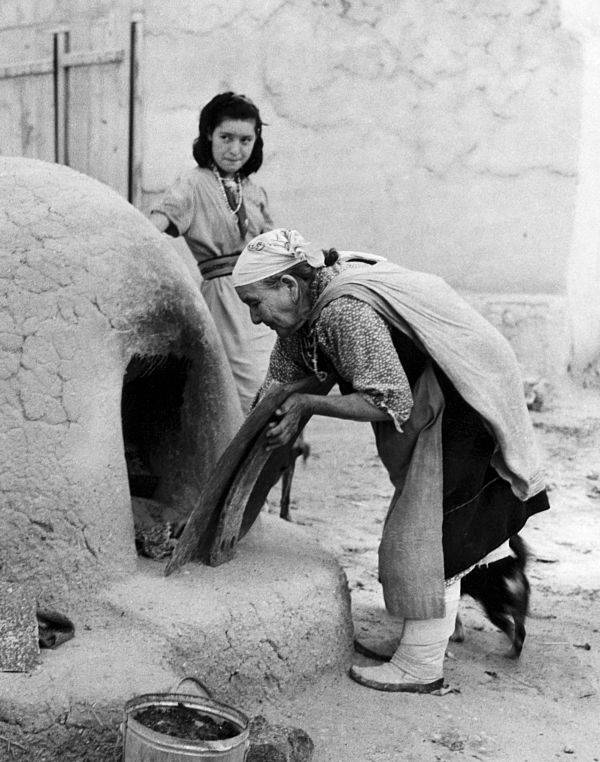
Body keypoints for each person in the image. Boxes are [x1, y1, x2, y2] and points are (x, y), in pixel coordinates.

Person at [231, 228, 550, 693]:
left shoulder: (341, 311)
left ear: (289, 286)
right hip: (437, 403)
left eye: (255, 304)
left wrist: (309, 406)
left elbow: (391, 403)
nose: (256, 319)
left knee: (423, 535)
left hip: (459, 405)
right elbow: (272, 394)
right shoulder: (306, 314)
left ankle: (421, 667)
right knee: (440, 527)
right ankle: (432, 638)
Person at [149, 92, 276, 412]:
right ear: (209, 135)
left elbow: (273, 241)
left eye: (245, 140)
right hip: (223, 296)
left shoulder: (253, 189)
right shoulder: (192, 183)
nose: (236, 150)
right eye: (226, 138)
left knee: (272, 379)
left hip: (262, 294)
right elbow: (155, 225)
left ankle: (276, 460)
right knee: (243, 386)